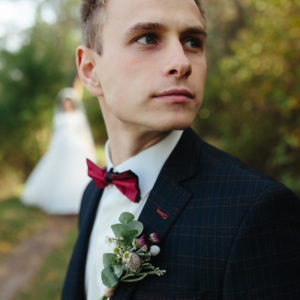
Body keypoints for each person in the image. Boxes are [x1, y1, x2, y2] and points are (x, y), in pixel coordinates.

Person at [61, 0, 300, 299]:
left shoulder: (257, 212)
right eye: (148, 38)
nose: (182, 62)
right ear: (90, 70)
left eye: (192, 41)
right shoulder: (91, 194)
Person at [21, 87, 97, 215]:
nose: (66, 104)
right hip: (61, 148)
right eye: (64, 101)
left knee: (77, 172)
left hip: (77, 148)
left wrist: (90, 148)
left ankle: (79, 201)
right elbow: (55, 135)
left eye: (68, 101)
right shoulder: (59, 116)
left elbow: (85, 133)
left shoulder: (79, 116)